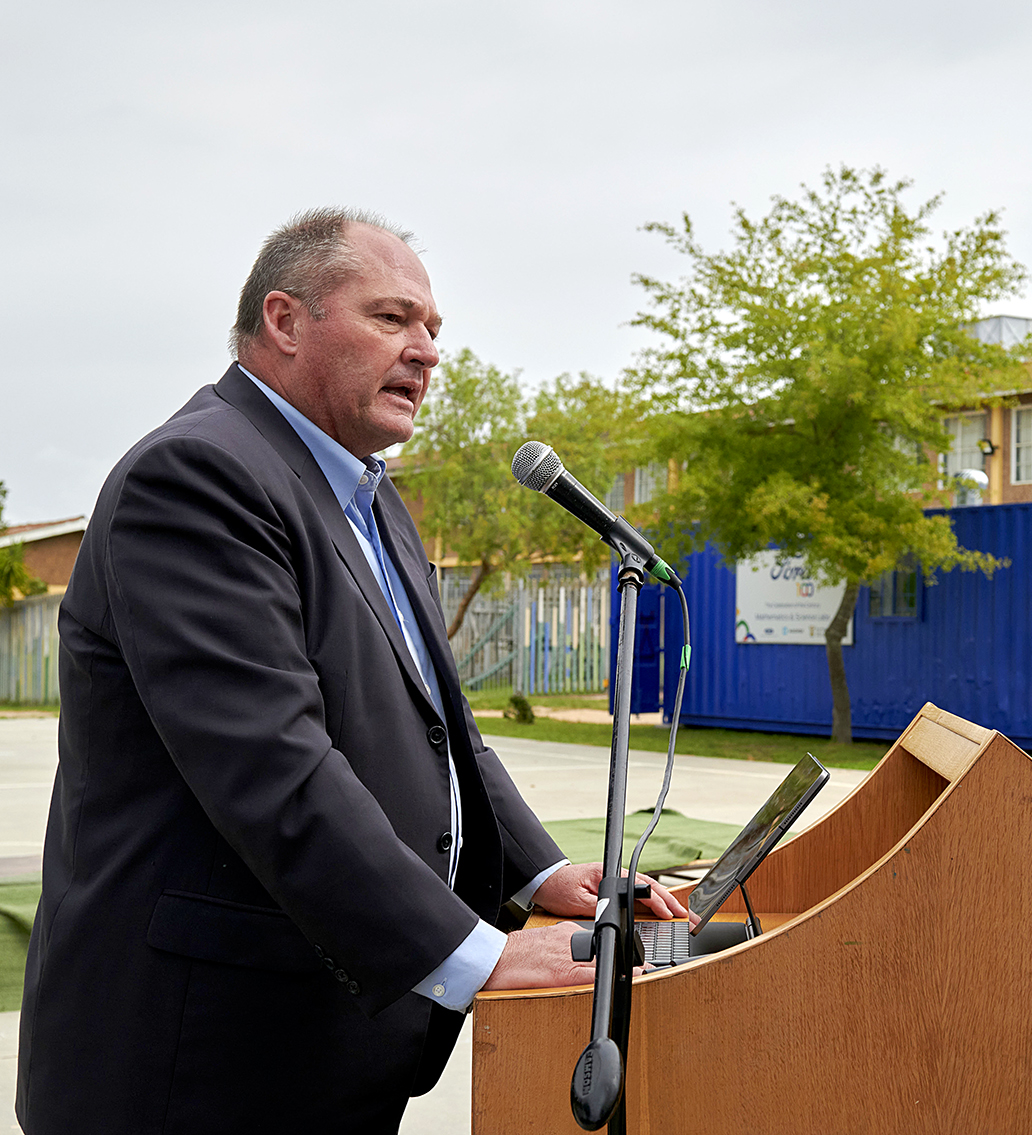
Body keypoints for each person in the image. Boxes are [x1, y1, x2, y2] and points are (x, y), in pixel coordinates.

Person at [15, 209, 688, 1134]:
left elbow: (442, 730)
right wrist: (478, 955)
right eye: (393, 318)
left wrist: (538, 875)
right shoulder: (198, 476)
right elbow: (272, 767)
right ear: (286, 321)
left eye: (434, 330)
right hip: (198, 1062)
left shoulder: (371, 496)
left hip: (323, 1044)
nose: (426, 350)